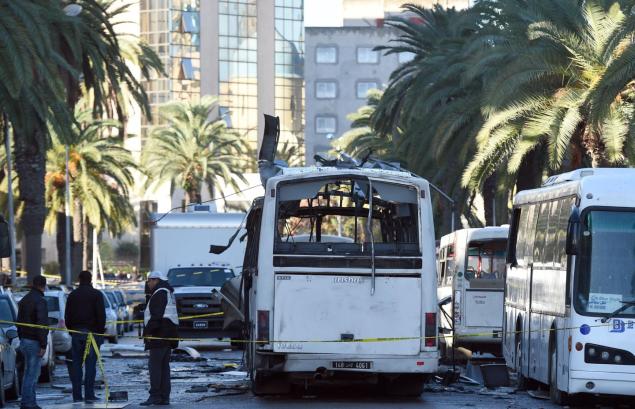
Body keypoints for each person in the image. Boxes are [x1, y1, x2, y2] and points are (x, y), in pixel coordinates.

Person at [65, 270, 106, 403]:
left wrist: (71, 331)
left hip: (77, 334)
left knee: (76, 365)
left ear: (79, 279)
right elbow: (101, 316)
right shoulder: (96, 295)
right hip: (92, 334)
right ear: (90, 279)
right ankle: (89, 394)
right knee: (90, 365)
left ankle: (77, 396)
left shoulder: (72, 295)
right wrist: (99, 332)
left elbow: (67, 316)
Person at [141, 271, 179, 406]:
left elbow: (156, 316)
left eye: (149, 281)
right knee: (163, 368)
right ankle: (164, 397)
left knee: (155, 368)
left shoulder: (160, 294)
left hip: (159, 336)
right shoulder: (167, 293)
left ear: (156, 280)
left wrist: (149, 332)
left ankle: (155, 396)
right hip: (167, 336)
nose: (148, 284)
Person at [17, 275, 48, 409]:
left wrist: (21, 337)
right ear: (43, 286)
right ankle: (28, 403)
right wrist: (43, 344)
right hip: (34, 341)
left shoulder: (24, 300)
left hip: (24, 340)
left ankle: (29, 401)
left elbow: (18, 321)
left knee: (28, 373)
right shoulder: (40, 301)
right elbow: (41, 324)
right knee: (32, 374)